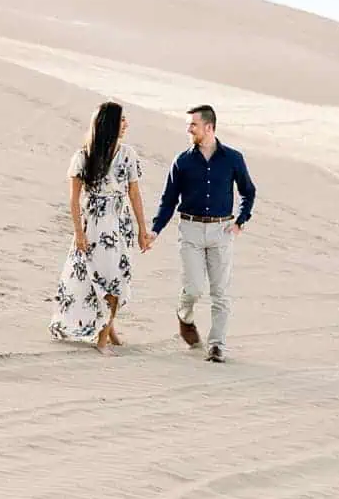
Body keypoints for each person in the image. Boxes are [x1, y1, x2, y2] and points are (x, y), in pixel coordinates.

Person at [143, 104, 257, 363]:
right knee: (193, 288)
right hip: (191, 230)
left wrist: (240, 221)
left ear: (209, 127)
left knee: (220, 292)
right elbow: (168, 199)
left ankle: (216, 345)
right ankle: (185, 316)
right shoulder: (182, 161)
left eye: (193, 124)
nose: (188, 129)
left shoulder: (233, 158)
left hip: (221, 230)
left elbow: (248, 192)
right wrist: (155, 231)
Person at [49, 101, 150, 354]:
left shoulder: (128, 154)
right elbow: (74, 199)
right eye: (121, 119)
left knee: (118, 277)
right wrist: (78, 233)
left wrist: (142, 229)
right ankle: (102, 339)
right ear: (109, 124)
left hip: (119, 222)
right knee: (99, 278)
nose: (126, 124)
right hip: (93, 224)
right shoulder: (83, 156)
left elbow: (135, 194)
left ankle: (107, 330)